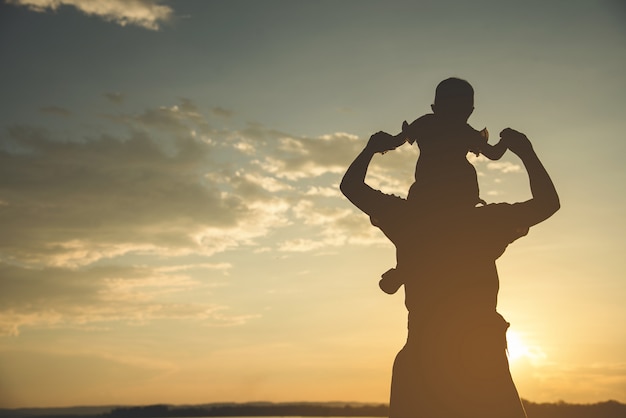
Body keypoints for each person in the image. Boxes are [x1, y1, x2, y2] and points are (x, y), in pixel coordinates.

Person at [340, 123, 560, 417]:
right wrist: (526, 152)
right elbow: (548, 204)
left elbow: (351, 187)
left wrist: (370, 150)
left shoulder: (405, 218)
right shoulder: (487, 222)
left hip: (421, 359)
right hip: (481, 359)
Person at [376, 78, 509, 294]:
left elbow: (397, 140)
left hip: (429, 192)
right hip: (459, 192)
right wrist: (508, 141)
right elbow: (494, 154)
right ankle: (406, 270)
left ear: (434, 107)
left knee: (418, 231)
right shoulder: (463, 130)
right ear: (470, 110)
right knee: (439, 229)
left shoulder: (427, 123)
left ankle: (404, 269)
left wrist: (380, 145)